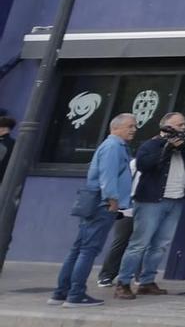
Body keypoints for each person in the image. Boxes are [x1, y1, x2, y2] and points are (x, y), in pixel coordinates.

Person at [111, 111, 185, 298]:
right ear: (166, 126)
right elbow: (144, 165)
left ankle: (147, 281)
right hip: (151, 200)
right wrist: (168, 148)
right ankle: (123, 282)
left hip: (176, 200)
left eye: (184, 125)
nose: (183, 128)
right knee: (140, 243)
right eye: (179, 125)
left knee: (161, 245)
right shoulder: (151, 144)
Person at [52, 112, 136, 307]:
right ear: (115, 128)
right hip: (102, 204)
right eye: (130, 126)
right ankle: (76, 294)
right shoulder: (114, 147)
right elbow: (108, 176)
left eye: (134, 126)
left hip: (97, 202)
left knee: (79, 249)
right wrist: (112, 200)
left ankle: (61, 292)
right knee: (88, 250)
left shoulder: (115, 146)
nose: (134, 130)